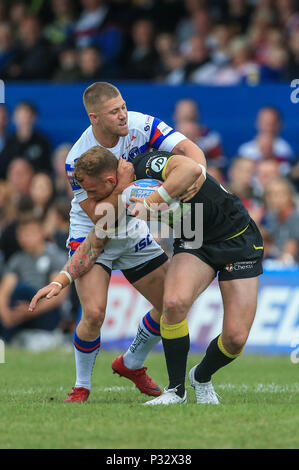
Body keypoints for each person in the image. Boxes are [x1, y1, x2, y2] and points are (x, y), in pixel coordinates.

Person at [30, 146, 264, 406]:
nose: (93, 203)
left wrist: (152, 202)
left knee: (235, 339)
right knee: (172, 303)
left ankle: (201, 375)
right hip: (194, 240)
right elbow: (92, 246)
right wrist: (59, 281)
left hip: (237, 238)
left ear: (109, 180)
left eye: (93, 193)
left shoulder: (144, 165)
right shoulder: (118, 202)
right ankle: (176, 391)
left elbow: (191, 168)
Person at [36, 81, 207, 403]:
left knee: (172, 303)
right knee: (95, 313)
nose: (123, 115)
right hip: (93, 229)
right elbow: (102, 219)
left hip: (132, 227)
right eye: (114, 112)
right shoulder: (77, 159)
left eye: (124, 106)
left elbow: (188, 149)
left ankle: (131, 363)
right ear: (94, 118)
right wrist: (125, 185)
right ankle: (82, 386)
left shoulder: (143, 125)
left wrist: (200, 173)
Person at [0, 214, 68, 343]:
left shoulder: (55, 257)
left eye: (30, 234)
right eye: (21, 234)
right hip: (20, 311)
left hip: (45, 311)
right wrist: (5, 315)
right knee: (18, 291)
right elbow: (4, 291)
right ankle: (6, 335)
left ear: (41, 233)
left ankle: (6, 337)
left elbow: (58, 295)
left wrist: (30, 310)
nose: (25, 238)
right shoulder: (17, 259)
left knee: (22, 290)